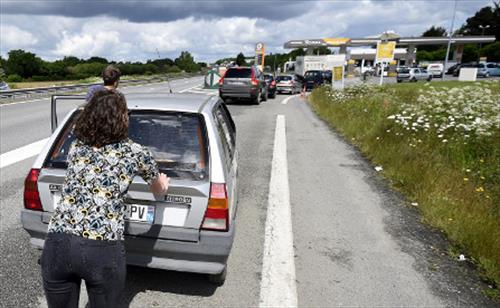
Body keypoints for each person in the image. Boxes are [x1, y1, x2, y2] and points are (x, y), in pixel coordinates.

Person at [41, 90, 170, 308]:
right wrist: (164, 184)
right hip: (101, 249)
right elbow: (158, 189)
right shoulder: (136, 152)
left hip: (57, 245)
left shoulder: (76, 147)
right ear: (122, 118)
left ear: (89, 116)